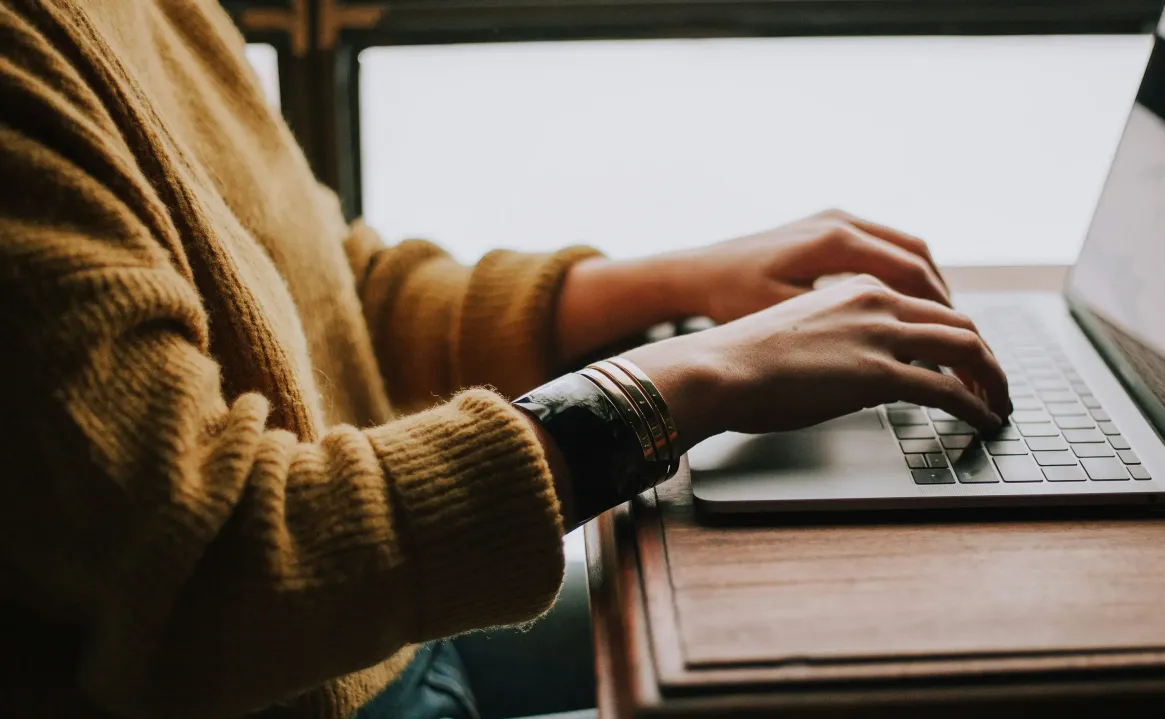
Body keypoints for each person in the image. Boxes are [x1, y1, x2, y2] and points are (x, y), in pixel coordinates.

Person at [0, 1, 1010, 718]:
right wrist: (686, 381)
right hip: (301, 678)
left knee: (845, 616)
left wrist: (681, 283)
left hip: (372, 638)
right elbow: (215, 575)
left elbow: (331, 293)